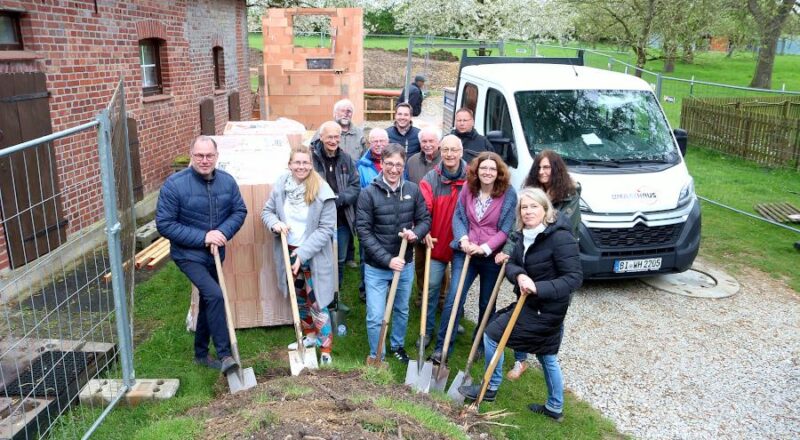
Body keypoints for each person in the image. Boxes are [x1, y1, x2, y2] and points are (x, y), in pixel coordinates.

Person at [459, 188, 582, 423]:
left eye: (533, 206)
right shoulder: (523, 234)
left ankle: (491, 388)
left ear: (545, 209)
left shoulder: (559, 237)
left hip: (546, 310)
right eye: (524, 207)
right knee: (547, 356)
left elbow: (574, 278)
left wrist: (538, 287)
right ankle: (555, 407)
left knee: (492, 334)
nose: (528, 211)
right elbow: (513, 264)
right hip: (530, 304)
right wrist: (520, 276)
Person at [156, 136, 247, 374]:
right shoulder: (175, 185)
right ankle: (226, 355)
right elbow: (164, 224)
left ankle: (200, 354)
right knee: (215, 295)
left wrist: (221, 233)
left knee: (209, 301)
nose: (204, 160)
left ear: (216, 157)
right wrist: (204, 237)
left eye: (209, 156)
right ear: (191, 155)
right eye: (199, 155)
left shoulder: (227, 182)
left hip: (216, 253)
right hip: (188, 254)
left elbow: (239, 211)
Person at [498, 149, 582, 380]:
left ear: (556, 170)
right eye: (540, 168)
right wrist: (508, 253)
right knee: (522, 308)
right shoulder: (528, 195)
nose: (543, 172)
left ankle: (547, 348)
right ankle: (520, 360)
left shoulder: (569, 196)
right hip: (530, 265)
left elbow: (563, 229)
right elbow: (518, 230)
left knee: (552, 316)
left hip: (554, 267)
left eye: (548, 168)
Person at [430, 152, 516, 364]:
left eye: (492, 169)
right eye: (483, 168)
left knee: (487, 303)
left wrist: (486, 248)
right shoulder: (469, 189)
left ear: (499, 173)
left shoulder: (508, 193)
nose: (487, 172)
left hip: (491, 257)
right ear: (476, 171)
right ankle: (443, 348)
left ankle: (479, 344)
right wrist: (463, 239)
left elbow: (506, 230)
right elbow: (458, 216)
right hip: (465, 253)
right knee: (454, 298)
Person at [356, 143, 431, 364]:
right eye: (389, 163)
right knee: (375, 316)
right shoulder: (368, 194)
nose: (394, 169)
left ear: (403, 165)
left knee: (401, 310)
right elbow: (363, 232)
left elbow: (425, 219)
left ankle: (397, 346)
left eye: (399, 164)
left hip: (405, 264)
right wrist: (388, 260)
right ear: (382, 163)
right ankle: (376, 353)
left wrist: (415, 234)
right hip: (377, 267)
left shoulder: (412, 190)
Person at [263, 145, 337, 365]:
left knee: (317, 301)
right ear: (290, 164)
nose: (301, 166)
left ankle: (326, 350)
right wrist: (275, 223)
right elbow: (267, 211)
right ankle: (310, 337)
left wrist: (302, 255)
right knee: (300, 299)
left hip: (312, 254)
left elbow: (325, 229)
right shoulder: (281, 187)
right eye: (297, 162)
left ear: (311, 165)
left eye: (305, 163)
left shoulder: (323, 191)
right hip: (289, 251)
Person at [417, 135, 468, 348]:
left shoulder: (472, 179)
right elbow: (423, 209)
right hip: (436, 243)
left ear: (461, 152)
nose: (449, 154)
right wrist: (425, 230)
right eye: (445, 150)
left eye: (453, 150)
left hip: (461, 246)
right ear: (440, 151)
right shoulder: (430, 178)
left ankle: (450, 326)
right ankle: (426, 331)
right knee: (431, 288)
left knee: (455, 293)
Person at [310, 121, 360, 289]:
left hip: (342, 219)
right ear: (321, 137)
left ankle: (335, 295)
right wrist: (325, 200)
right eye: (329, 137)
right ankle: (320, 293)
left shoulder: (346, 159)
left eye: (336, 137)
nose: (333, 141)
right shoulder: (312, 159)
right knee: (320, 258)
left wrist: (340, 199)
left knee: (338, 259)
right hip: (318, 220)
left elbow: (355, 185)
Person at [356, 128, 390, 301]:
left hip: (391, 217)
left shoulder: (395, 162)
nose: (378, 144)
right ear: (369, 143)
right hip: (370, 218)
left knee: (390, 252)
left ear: (388, 142)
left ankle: (388, 286)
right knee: (366, 254)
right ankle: (366, 289)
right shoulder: (361, 165)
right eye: (375, 141)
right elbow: (360, 192)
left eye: (382, 141)